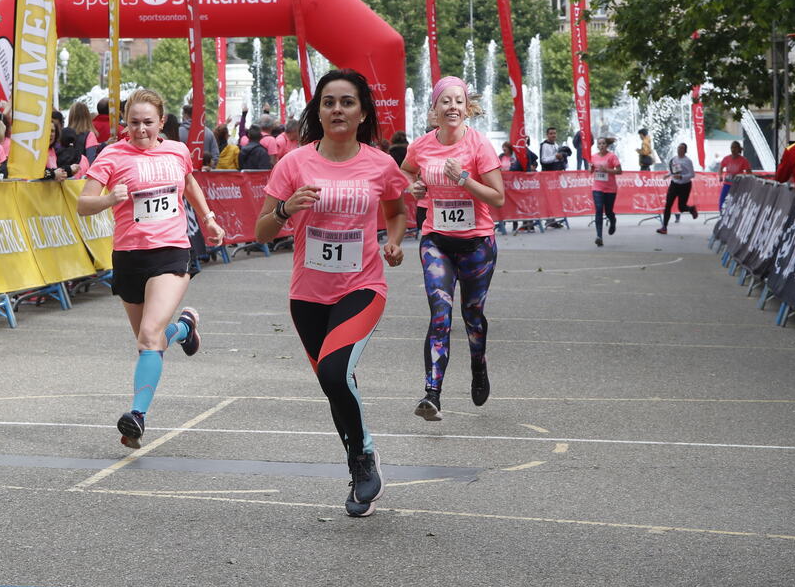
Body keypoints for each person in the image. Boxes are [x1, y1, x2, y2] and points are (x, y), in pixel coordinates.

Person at [255, 69, 406, 518]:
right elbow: (262, 230)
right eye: (328, 102)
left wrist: (393, 241)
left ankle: (363, 456)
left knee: (336, 373)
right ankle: (360, 463)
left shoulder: (380, 164)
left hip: (362, 286)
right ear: (317, 112)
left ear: (362, 113)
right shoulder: (294, 163)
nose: (337, 109)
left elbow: (396, 211)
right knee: (334, 382)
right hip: (307, 294)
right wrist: (285, 209)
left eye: (347, 102)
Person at [77, 88, 224, 449]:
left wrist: (208, 218)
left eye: (147, 122)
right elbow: (83, 204)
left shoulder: (176, 151)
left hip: (171, 252)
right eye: (133, 122)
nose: (140, 129)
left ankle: (136, 417)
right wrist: (109, 199)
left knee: (147, 336)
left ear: (162, 122)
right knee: (151, 342)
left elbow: (188, 182)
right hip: (129, 256)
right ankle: (185, 329)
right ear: (124, 123)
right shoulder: (112, 155)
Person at [401, 76, 505, 419]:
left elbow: (498, 198)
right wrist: (414, 186)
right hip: (436, 240)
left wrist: (464, 178)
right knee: (440, 314)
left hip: (477, 243)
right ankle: (432, 393)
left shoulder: (479, 146)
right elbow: (404, 172)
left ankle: (478, 365)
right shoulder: (422, 146)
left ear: (467, 108)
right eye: (445, 101)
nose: (453, 107)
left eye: (459, 101)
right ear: (434, 109)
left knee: (472, 315)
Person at [655, 142, 697, 234]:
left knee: (681, 208)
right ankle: (664, 227)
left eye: (681, 148)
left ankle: (691, 209)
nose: (679, 150)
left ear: (685, 151)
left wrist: (682, 177)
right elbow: (673, 171)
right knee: (668, 205)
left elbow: (692, 174)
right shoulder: (674, 159)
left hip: (685, 185)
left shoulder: (688, 161)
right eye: (678, 148)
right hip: (674, 184)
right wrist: (667, 175)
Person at [589, 136, 622, 246]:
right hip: (597, 187)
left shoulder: (612, 157)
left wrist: (606, 170)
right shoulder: (593, 157)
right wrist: (591, 169)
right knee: (598, 209)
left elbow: (619, 171)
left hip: (610, 188)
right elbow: (591, 171)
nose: (602, 145)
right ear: (597, 146)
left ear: (607, 145)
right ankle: (599, 236)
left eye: (603, 143)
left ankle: (613, 221)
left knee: (608, 211)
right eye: (600, 144)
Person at [717, 141, 752, 209]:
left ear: (738, 149)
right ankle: (722, 214)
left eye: (735, 148)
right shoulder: (726, 158)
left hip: (738, 185)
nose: (733, 149)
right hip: (727, 184)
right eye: (732, 147)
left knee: (735, 203)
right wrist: (720, 176)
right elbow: (720, 168)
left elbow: (749, 172)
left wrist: (748, 181)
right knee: (722, 202)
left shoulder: (743, 160)